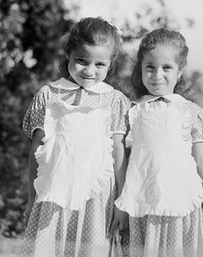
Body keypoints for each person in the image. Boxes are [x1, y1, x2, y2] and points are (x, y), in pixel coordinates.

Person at [20, 17, 130, 256]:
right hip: (53, 194)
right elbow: (36, 152)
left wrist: (122, 202)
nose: (89, 71)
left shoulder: (115, 100)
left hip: (97, 200)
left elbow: (118, 151)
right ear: (68, 53)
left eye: (99, 64)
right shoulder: (48, 95)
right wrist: (31, 197)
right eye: (82, 61)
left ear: (110, 63)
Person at [115, 28, 203, 257]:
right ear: (141, 68)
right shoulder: (131, 111)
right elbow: (121, 158)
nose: (157, 75)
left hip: (180, 202)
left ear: (180, 71)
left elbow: (201, 158)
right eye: (150, 67)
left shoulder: (190, 111)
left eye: (166, 67)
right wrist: (121, 201)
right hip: (142, 202)